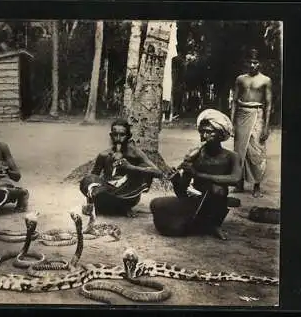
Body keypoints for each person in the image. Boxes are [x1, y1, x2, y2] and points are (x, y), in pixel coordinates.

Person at [149, 109, 242, 240]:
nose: (204, 135)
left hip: (214, 203)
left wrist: (198, 174)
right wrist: (176, 180)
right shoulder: (195, 155)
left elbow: (235, 179)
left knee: (217, 189)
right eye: (202, 131)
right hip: (194, 201)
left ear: (221, 135)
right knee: (155, 204)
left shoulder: (231, 156)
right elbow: (182, 193)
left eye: (209, 132)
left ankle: (214, 225)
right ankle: (201, 225)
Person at [79, 119, 164, 218]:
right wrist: (90, 204)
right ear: (111, 136)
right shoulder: (104, 155)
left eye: (122, 135)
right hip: (108, 193)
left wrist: (130, 167)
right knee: (88, 179)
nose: (118, 139)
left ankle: (125, 207)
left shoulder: (135, 153)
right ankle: (106, 207)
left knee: (143, 168)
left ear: (129, 136)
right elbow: (93, 179)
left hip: (128, 196)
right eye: (115, 135)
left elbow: (159, 173)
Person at [231, 49, 272, 198]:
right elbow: (234, 102)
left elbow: (268, 104)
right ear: (246, 63)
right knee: (239, 150)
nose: (253, 65)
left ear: (260, 63)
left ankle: (256, 186)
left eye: (255, 62)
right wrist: (232, 122)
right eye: (250, 62)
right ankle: (239, 183)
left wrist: (266, 126)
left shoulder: (265, 80)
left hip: (257, 115)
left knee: (257, 151)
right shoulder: (240, 79)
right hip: (242, 114)